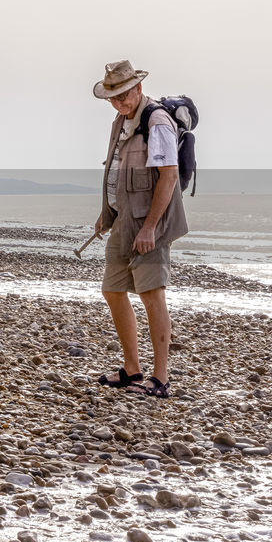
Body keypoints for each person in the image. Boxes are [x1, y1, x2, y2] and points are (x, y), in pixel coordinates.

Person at [91, 60, 188, 398]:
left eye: (122, 96)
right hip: (122, 222)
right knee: (112, 289)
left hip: (149, 225)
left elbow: (169, 177)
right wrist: (106, 214)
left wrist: (149, 228)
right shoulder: (120, 121)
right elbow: (116, 173)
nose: (118, 103)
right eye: (112, 98)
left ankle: (160, 379)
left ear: (137, 88)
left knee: (151, 294)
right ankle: (132, 370)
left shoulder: (157, 121)